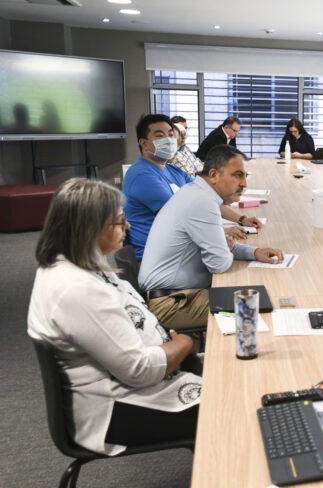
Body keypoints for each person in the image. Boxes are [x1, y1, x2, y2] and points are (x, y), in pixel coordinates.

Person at [28, 178, 200, 455]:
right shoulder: (76, 289)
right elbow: (141, 371)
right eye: (119, 222)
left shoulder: (74, 265)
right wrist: (185, 344)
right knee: (232, 405)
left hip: (126, 387)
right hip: (114, 410)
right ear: (90, 229)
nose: (128, 227)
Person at [139, 146, 284, 330]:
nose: (244, 183)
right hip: (171, 303)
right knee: (256, 307)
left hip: (178, 294)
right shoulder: (202, 201)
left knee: (258, 297)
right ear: (214, 174)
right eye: (237, 175)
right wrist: (228, 249)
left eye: (245, 176)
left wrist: (255, 252)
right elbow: (219, 263)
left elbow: (220, 246)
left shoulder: (197, 193)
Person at [124, 115, 259, 259]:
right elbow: (181, 218)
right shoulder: (142, 176)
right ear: (144, 144)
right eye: (160, 135)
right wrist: (221, 230)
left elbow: (207, 197)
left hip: (180, 248)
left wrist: (242, 219)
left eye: (170, 134)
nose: (169, 140)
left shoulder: (172, 170)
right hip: (158, 258)